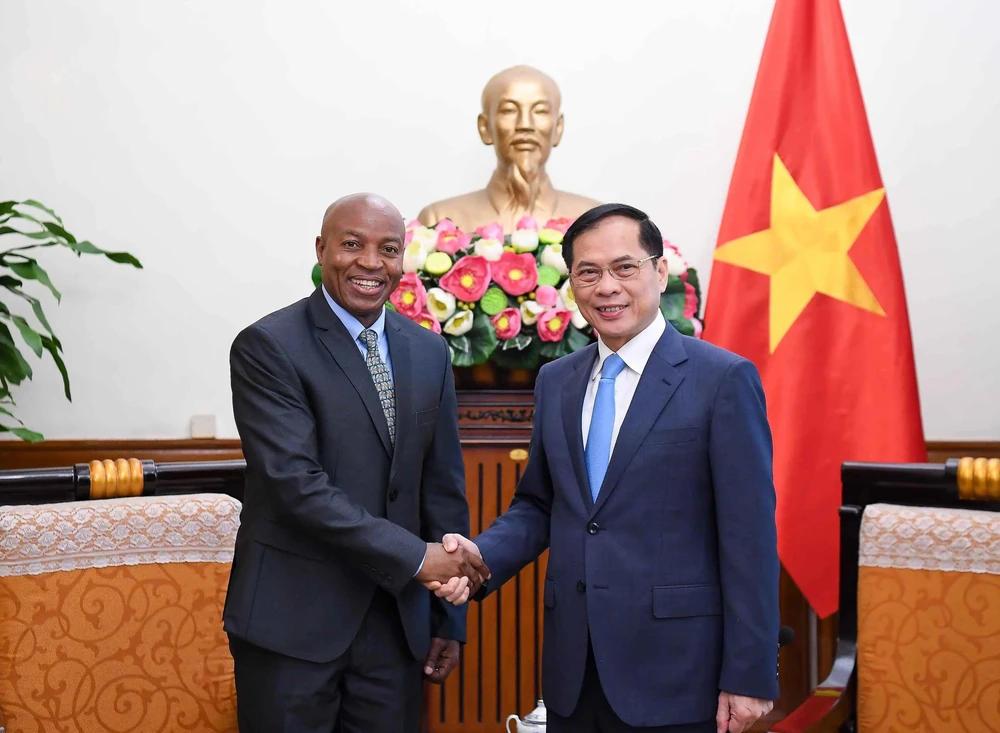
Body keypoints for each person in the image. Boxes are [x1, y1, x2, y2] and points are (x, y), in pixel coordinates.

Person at [431, 203, 780, 733]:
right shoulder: (557, 381)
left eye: (624, 267)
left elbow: (750, 536)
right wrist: (481, 557)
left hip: (680, 673)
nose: (607, 287)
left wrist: (750, 674)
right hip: (574, 671)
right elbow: (540, 505)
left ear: (659, 273)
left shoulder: (721, 379)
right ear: (571, 284)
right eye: (588, 273)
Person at [224, 193, 489, 733]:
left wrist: (448, 615)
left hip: (396, 626)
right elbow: (296, 486)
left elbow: (441, 489)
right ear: (321, 250)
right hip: (292, 626)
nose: (371, 263)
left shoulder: (429, 351)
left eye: (388, 249)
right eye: (352, 244)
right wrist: (417, 559)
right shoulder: (268, 346)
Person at [417, 64, 600, 233]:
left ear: (558, 128)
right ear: (485, 127)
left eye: (540, 111)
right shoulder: (439, 221)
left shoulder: (595, 220)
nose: (525, 125)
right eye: (509, 111)